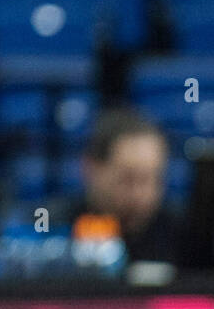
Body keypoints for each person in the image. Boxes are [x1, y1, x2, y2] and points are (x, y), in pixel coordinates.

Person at [49, 108, 182, 264]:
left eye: (151, 180)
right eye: (127, 179)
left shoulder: (184, 235)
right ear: (90, 168)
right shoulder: (53, 230)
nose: (139, 196)